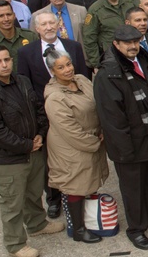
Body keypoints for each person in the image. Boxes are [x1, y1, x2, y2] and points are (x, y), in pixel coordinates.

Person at [0, 46, 63, 257]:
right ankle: (15, 243)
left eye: (7, 60)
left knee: (33, 193)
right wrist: (26, 145)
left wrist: (40, 133)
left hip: (33, 149)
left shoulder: (22, 81)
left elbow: (38, 108)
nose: (4, 65)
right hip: (8, 159)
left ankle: (37, 224)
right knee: (12, 202)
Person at [93, 24, 148, 251]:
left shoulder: (144, 61)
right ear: (116, 45)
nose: (133, 46)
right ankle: (136, 228)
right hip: (129, 142)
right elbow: (112, 118)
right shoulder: (108, 73)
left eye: (136, 41)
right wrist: (124, 149)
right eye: (127, 43)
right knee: (133, 188)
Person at [43, 50, 106, 244]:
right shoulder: (54, 98)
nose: (68, 70)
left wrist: (102, 128)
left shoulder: (81, 80)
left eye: (68, 64)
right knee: (75, 186)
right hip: (71, 148)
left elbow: (98, 103)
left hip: (90, 139)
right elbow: (70, 131)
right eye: (60, 67)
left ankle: (87, 219)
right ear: (52, 71)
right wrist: (95, 142)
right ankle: (78, 229)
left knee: (88, 181)